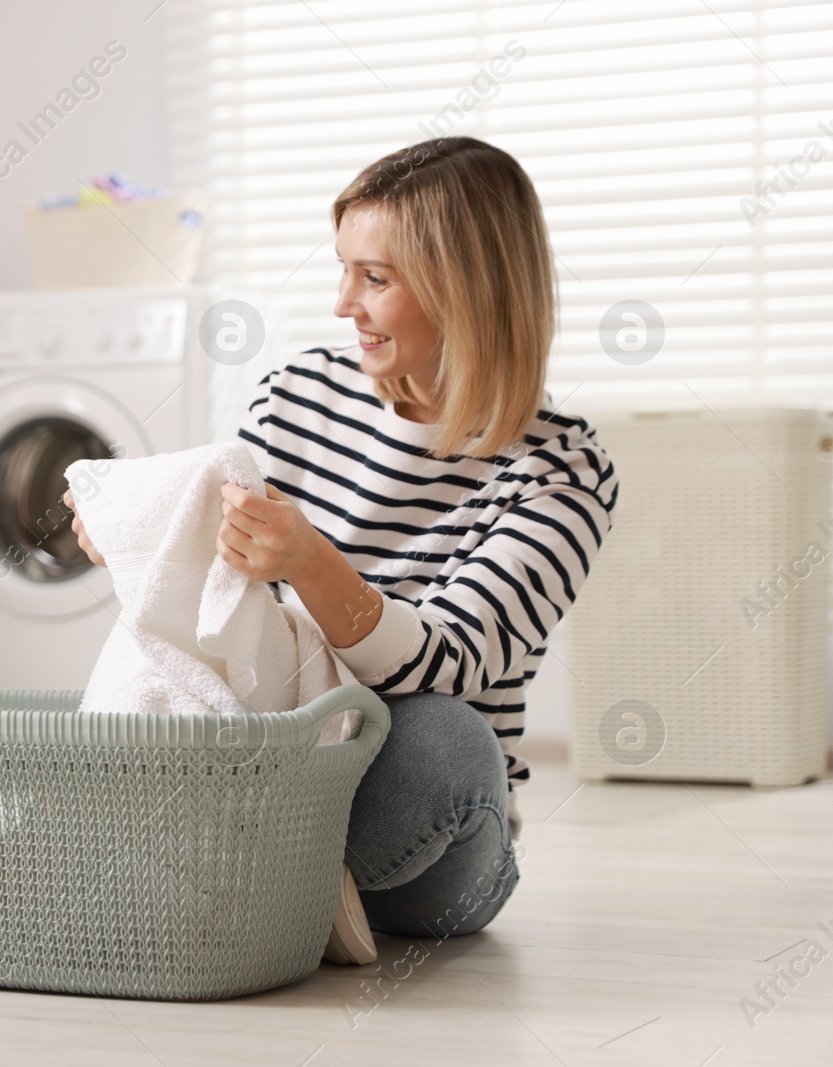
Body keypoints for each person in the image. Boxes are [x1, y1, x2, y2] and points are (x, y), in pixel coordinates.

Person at [67, 136, 618, 963]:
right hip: (282, 769)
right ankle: (239, 892)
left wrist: (313, 563)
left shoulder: (560, 473)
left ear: (465, 290)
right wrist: (146, 538)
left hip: (425, 836)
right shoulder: (302, 392)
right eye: (344, 268)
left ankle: (195, 886)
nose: (342, 304)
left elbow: (451, 663)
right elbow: (225, 597)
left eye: (376, 278)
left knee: (447, 739)